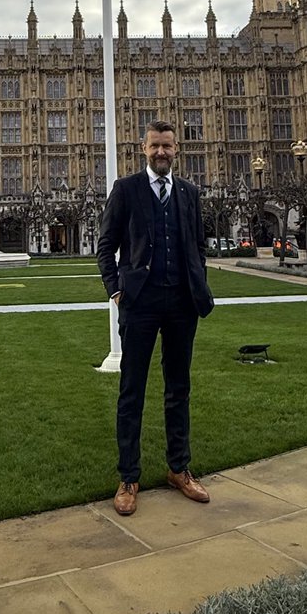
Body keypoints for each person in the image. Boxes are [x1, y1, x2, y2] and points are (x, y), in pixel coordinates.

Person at [96, 119, 215, 516]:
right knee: (132, 392)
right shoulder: (126, 190)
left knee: (178, 388)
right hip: (140, 305)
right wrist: (116, 290)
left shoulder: (188, 192)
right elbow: (105, 246)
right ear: (143, 149)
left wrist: (197, 282)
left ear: (176, 148)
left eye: (167, 146)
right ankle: (129, 476)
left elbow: (198, 245)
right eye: (155, 146)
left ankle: (179, 468)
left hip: (181, 304)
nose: (161, 152)